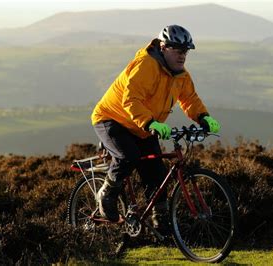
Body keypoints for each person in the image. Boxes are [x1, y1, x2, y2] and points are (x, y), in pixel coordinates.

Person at [90, 25, 221, 234]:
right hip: (112, 118)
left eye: (185, 51)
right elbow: (131, 99)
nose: (183, 56)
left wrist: (203, 117)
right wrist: (150, 123)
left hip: (141, 126)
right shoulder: (146, 65)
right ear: (164, 47)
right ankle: (106, 194)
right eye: (178, 51)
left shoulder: (180, 75)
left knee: (156, 173)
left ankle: (160, 222)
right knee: (127, 157)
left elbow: (189, 99)